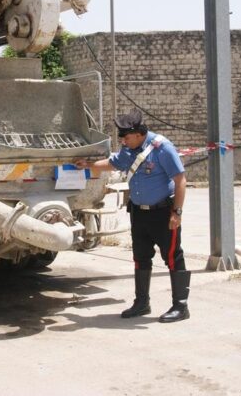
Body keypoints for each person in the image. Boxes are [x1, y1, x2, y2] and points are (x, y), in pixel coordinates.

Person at [75, 109, 190, 323]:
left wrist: (177, 212)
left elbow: (180, 180)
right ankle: (142, 303)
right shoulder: (130, 149)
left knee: (173, 257)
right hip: (139, 212)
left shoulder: (162, 148)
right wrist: (89, 165)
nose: (124, 142)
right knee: (141, 257)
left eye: (127, 137)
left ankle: (180, 306)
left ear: (139, 134)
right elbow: (113, 162)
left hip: (163, 213)